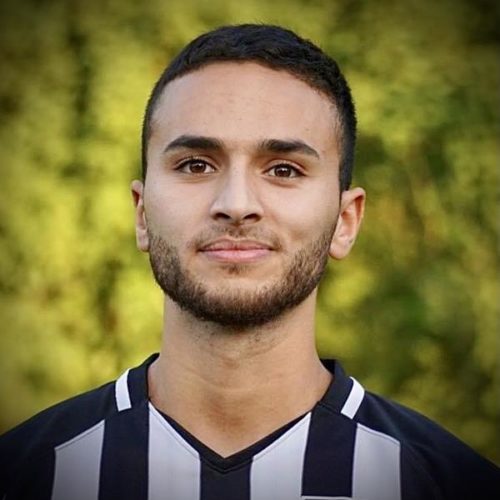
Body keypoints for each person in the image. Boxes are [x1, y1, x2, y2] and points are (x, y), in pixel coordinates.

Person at [0, 23, 498, 500]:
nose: (236, 204)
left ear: (345, 221)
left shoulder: (452, 486)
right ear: (142, 213)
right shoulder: (24, 475)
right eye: (196, 164)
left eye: (284, 169)